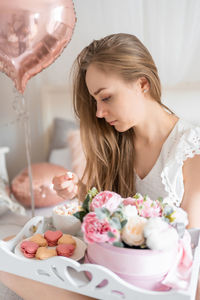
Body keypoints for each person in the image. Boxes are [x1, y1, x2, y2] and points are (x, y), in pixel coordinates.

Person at [53, 33, 200, 299]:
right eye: (94, 101)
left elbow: (190, 256)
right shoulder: (117, 144)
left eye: (106, 98)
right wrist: (78, 189)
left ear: (141, 83)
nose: (98, 112)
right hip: (111, 276)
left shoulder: (190, 152)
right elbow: (110, 211)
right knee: (7, 259)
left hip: (158, 288)